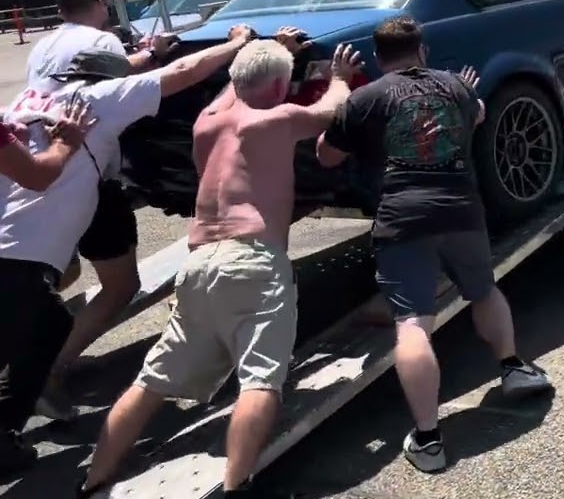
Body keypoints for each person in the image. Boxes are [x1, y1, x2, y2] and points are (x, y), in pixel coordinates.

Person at [79, 32, 363, 498]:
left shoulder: (207, 120)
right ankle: (236, 488)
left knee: (152, 380)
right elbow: (330, 112)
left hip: (198, 262)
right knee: (261, 381)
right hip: (252, 258)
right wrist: (338, 78)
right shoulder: (277, 117)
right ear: (278, 88)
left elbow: (234, 86)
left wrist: (269, 51)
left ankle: (92, 481)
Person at [0, 24, 255, 479]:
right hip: (25, 250)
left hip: (12, 243)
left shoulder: (27, 99)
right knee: (45, 325)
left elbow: (131, 71)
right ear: (109, 77)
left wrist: (145, 54)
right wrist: (237, 45)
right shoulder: (99, 102)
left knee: (34, 320)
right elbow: (184, 71)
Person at [315, 16, 552, 475]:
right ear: (421, 50)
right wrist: (460, 95)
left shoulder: (366, 98)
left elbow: (326, 156)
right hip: (462, 210)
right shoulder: (458, 88)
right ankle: (514, 367)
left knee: (412, 324)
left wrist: (341, 93)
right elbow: (479, 114)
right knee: (483, 290)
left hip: (403, 218)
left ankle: (428, 438)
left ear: (379, 58)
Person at [15, 0, 180, 421]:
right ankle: (49, 371)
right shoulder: (101, 38)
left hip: (44, 161)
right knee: (120, 284)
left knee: (55, 272)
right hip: (88, 173)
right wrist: (155, 55)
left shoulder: (42, 45)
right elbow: (118, 79)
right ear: (99, 3)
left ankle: (30, 353)